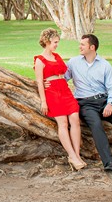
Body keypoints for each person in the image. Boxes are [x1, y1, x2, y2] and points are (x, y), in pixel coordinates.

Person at [64, 34, 112, 172]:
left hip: (104, 100)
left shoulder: (105, 65)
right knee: (95, 124)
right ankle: (108, 162)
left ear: (92, 47)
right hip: (85, 103)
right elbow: (62, 79)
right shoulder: (73, 63)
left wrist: (110, 103)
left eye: (82, 44)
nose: (80, 46)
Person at [34, 28, 86, 171]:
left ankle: (76, 155)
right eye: (55, 42)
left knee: (75, 119)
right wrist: (43, 101)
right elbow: (39, 81)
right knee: (62, 123)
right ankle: (72, 156)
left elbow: (64, 73)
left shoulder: (57, 56)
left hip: (65, 90)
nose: (57, 44)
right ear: (47, 41)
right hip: (52, 93)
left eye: (57, 42)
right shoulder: (40, 60)